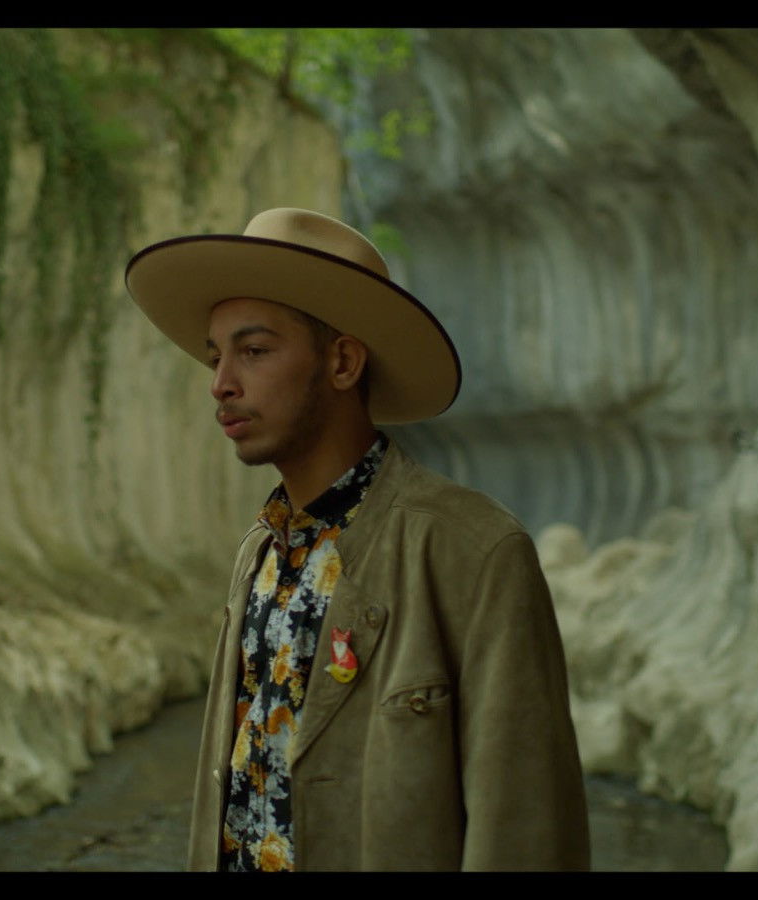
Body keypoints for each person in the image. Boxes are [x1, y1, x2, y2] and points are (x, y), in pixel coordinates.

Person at [125, 207, 590, 872]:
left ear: (342, 362)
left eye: (253, 351)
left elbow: (527, 834)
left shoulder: (474, 552)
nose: (221, 383)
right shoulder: (259, 552)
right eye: (215, 355)